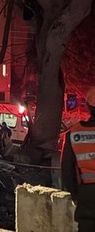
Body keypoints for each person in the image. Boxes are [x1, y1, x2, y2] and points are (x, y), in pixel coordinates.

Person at [61, 85, 95, 232]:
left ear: (88, 106)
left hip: (87, 195)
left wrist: (76, 195)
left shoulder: (74, 133)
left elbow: (66, 170)